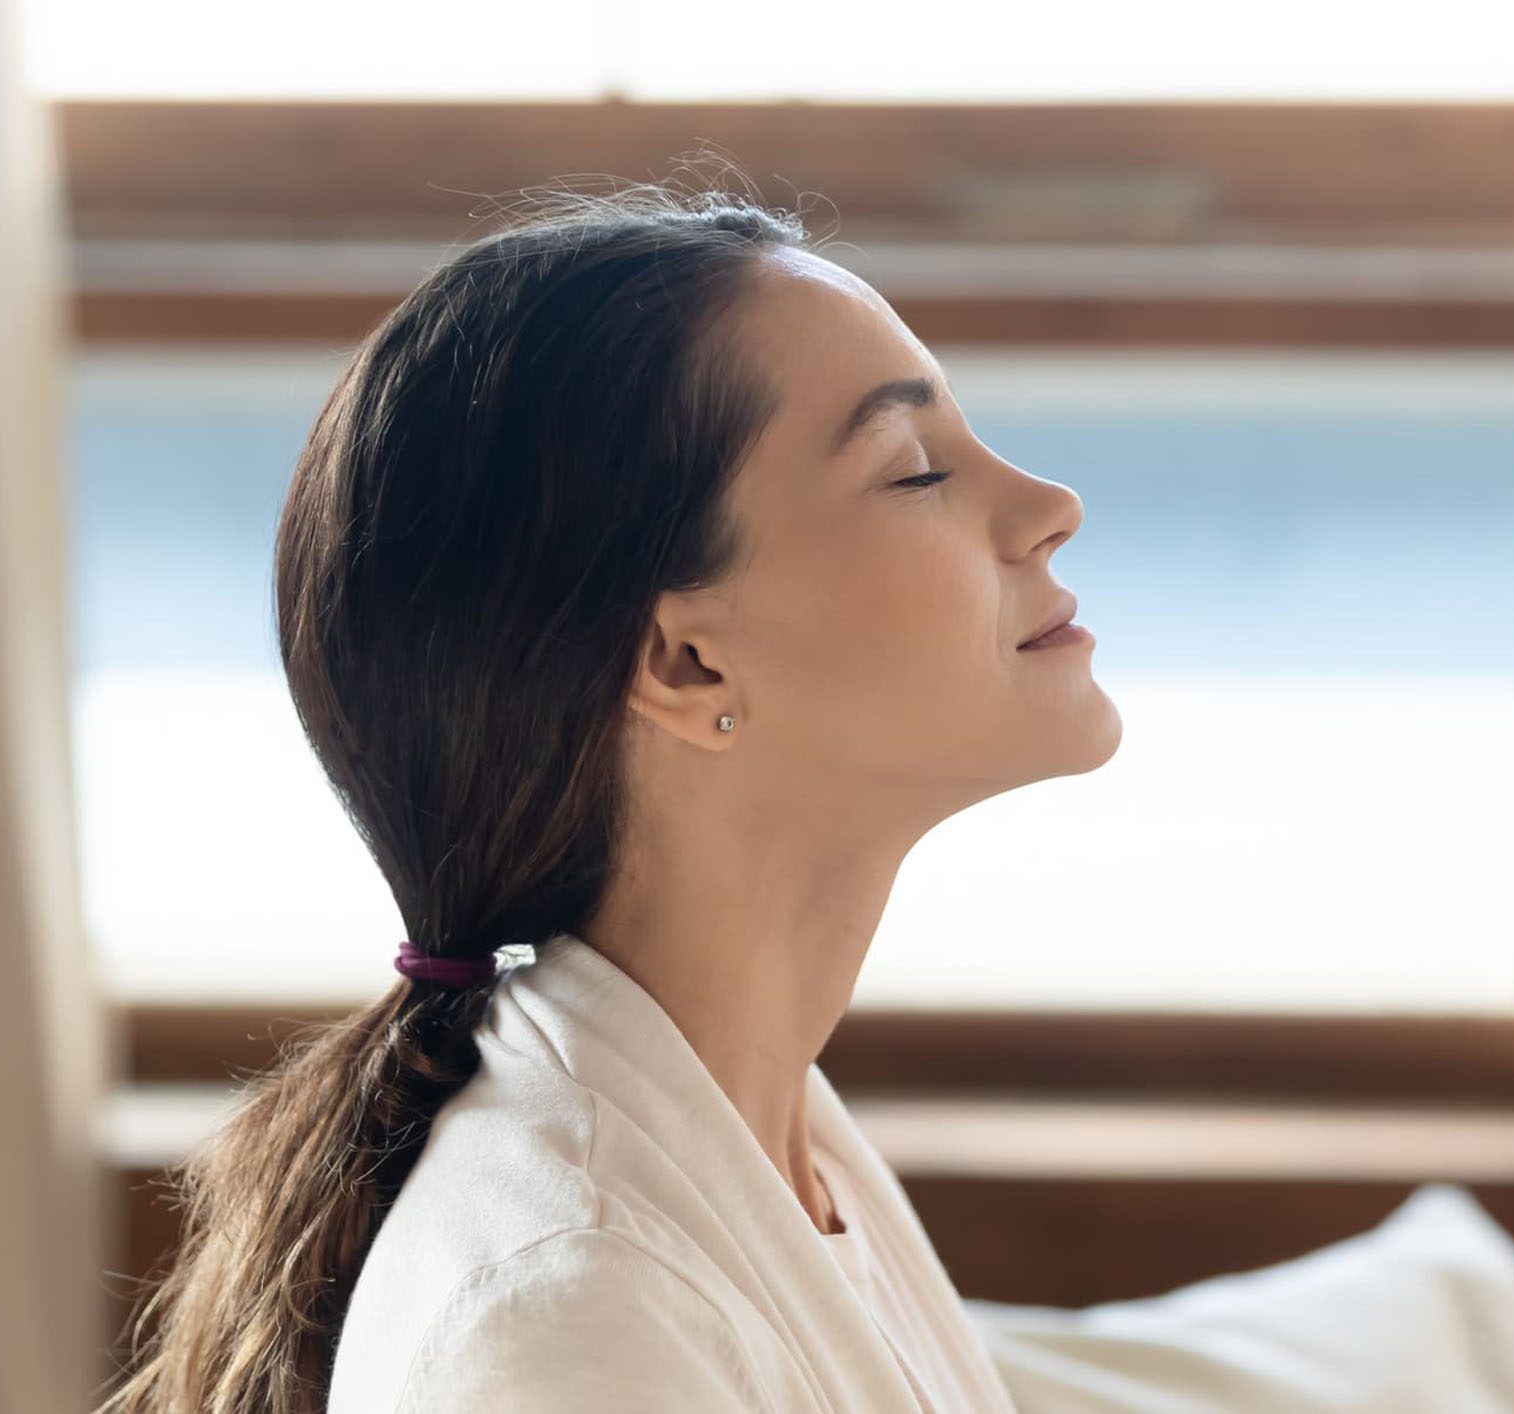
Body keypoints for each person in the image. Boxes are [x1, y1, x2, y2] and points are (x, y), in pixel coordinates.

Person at [92, 170, 1118, 1414]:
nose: (1049, 507)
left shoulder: (770, 1142)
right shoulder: (576, 1318)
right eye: (912, 468)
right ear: (685, 662)